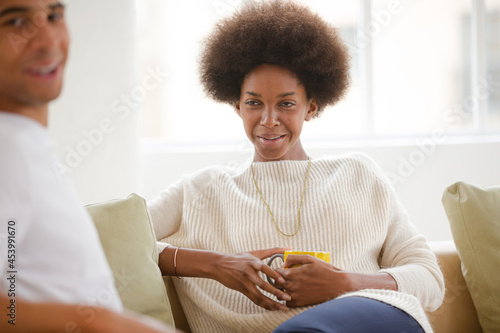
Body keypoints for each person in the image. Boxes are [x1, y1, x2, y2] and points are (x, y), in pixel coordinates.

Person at [148, 1, 445, 332]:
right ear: (237, 106)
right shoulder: (200, 191)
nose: (269, 120)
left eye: (286, 104)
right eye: (254, 103)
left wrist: (344, 283)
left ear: (311, 107)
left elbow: (430, 279)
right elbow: (110, 238)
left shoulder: (358, 174)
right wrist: (216, 265)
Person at [0, 1, 177, 332]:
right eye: (16, 21)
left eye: (54, 16)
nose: (48, 40)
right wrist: (102, 322)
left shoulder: (25, 143)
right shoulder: (8, 151)